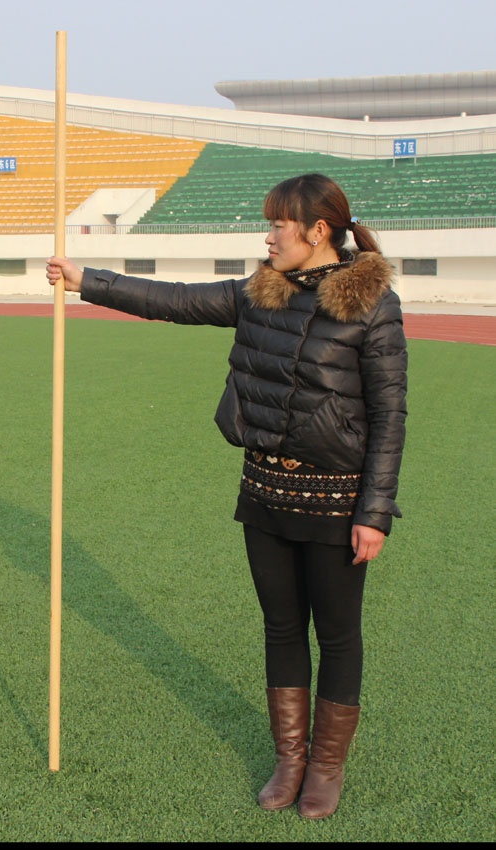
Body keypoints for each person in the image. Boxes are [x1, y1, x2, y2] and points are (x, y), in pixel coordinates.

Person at [46, 173, 407, 820]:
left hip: (336, 497)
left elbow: (389, 412)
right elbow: (177, 301)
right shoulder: (257, 293)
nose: (268, 236)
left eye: (278, 225)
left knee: (339, 635)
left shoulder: (372, 304)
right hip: (265, 488)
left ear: (317, 231)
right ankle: (290, 758)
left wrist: (374, 512)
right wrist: (86, 280)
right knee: (281, 627)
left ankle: (325, 769)